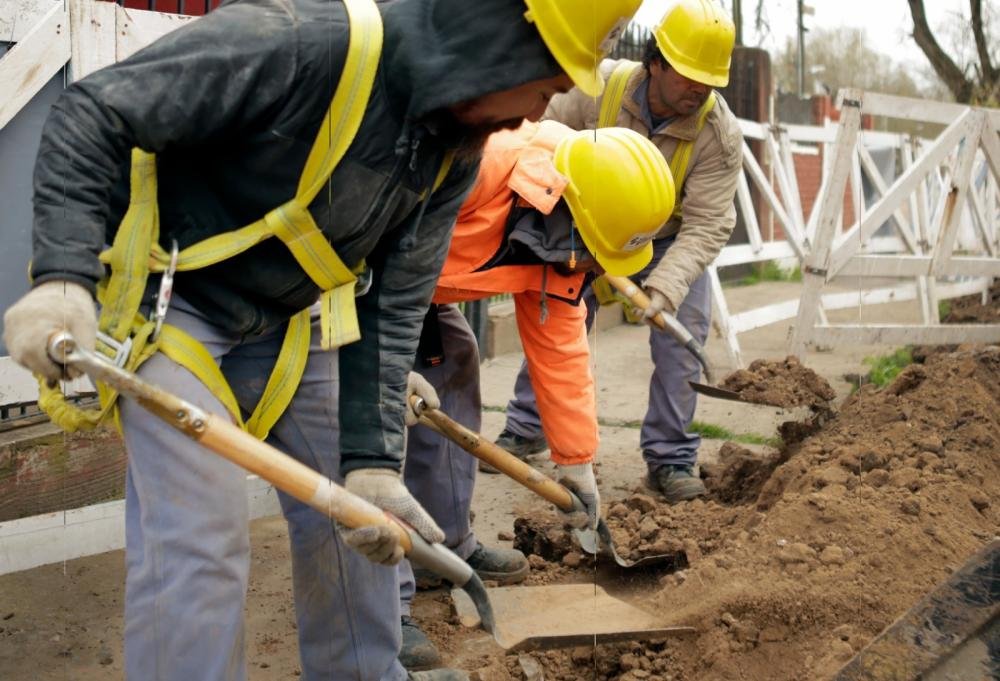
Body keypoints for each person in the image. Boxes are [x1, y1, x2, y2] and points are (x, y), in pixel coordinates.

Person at [1, 1, 644, 679]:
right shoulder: (300, 43)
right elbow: (95, 110)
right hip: (175, 305)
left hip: (291, 322)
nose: (532, 116)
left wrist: (372, 458)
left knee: (365, 518)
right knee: (201, 539)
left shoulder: (454, 151)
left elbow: (396, 300)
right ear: (502, 42)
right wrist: (63, 277)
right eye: (544, 89)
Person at [397, 120, 676, 670]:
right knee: (373, 432)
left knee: (455, 362)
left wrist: (578, 466)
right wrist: (380, 358)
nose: (593, 268)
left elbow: (561, 349)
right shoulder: (478, 164)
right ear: (573, 216)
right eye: (594, 252)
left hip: (422, 288)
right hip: (355, 283)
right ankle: (380, 607)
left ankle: (442, 547)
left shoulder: (560, 232)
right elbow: (363, 232)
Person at [498, 0, 743, 505]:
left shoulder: (718, 135)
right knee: (558, 317)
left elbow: (708, 223)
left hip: (668, 240)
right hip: (589, 226)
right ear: (656, 62)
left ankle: (671, 458)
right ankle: (529, 425)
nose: (698, 89)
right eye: (688, 75)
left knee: (681, 339)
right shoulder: (601, 85)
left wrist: (664, 288)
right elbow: (535, 127)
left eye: (708, 80)